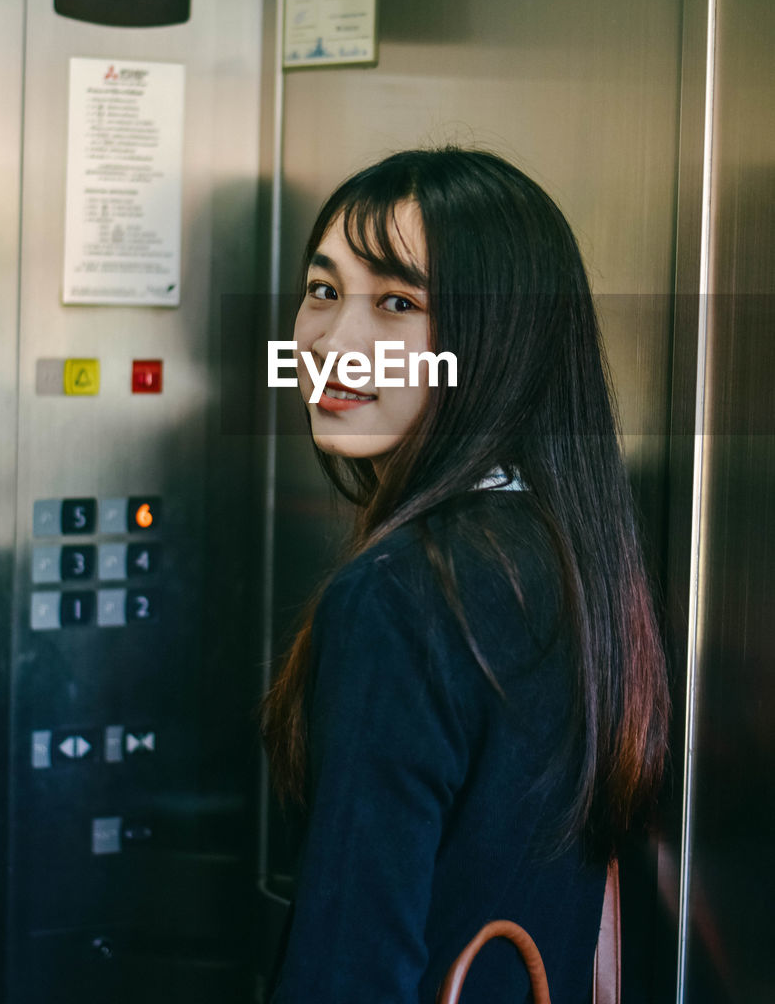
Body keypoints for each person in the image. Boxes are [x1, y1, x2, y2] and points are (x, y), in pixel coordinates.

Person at [261, 147, 669, 1003]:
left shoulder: (402, 592)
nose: (335, 341)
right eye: (325, 290)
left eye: (399, 303)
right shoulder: (564, 551)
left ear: (497, 342)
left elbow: (347, 971)